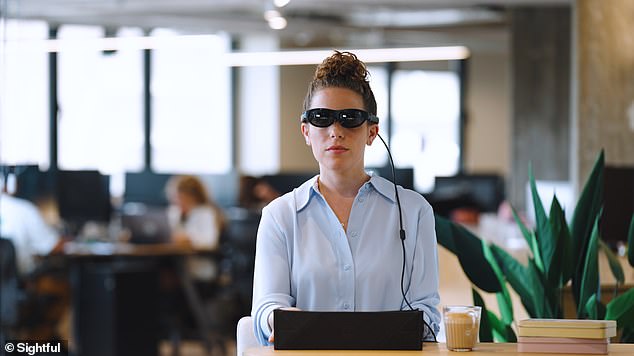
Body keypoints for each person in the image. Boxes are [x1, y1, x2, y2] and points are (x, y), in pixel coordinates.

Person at [251, 51, 441, 345]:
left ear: (372, 132)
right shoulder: (280, 215)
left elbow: (426, 313)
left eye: (349, 119)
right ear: (306, 131)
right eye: (321, 118)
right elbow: (266, 308)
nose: (335, 131)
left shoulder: (414, 212)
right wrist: (282, 320)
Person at [165, 175, 226, 280]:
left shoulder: (206, 213)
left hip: (199, 263)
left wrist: (188, 239)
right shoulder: (176, 212)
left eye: (180, 197)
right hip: (180, 261)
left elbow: (210, 242)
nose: (177, 201)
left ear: (192, 197)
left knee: (166, 271)